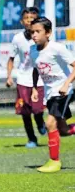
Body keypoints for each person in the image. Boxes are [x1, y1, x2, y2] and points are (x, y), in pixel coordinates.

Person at [30, 17, 75, 173]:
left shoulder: (57, 48)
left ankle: (54, 161)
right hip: (50, 94)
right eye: (32, 32)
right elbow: (36, 70)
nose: (34, 35)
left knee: (50, 123)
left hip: (63, 91)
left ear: (48, 33)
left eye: (38, 31)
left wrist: (66, 83)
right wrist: (35, 88)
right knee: (63, 129)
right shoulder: (33, 50)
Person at [7, 7, 46, 148]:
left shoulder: (42, 38)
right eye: (26, 18)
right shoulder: (17, 39)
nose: (29, 21)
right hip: (23, 79)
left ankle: (41, 123)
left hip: (40, 80)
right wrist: (9, 76)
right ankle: (32, 139)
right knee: (25, 112)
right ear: (22, 21)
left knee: (37, 109)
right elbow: (11, 59)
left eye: (32, 18)